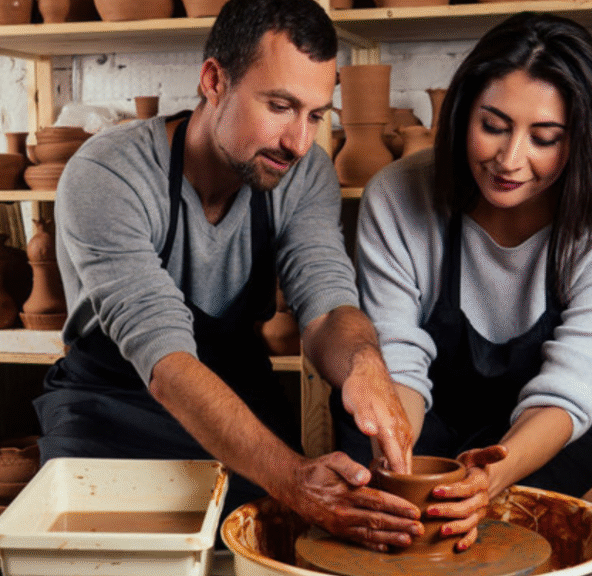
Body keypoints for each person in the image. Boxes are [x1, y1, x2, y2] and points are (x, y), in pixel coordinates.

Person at [33, 0, 451, 552]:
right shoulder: (109, 172)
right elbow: (167, 364)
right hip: (114, 412)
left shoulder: (302, 173)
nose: (298, 141)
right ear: (214, 80)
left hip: (242, 403)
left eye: (316, 115)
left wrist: (364, 364)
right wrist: (294, 478)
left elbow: (326, 306)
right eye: (280, 106)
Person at [343, 10, 592, 544]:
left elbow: (571, 386)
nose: (511, 159)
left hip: (550, 428)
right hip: (427, 415)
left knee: (519, 541)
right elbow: (396, 356)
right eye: (492, 126)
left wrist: (489, 480)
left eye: (545, 137)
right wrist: (405, 469)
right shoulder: (397, 196)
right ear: (465, 112)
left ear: (582, 138)